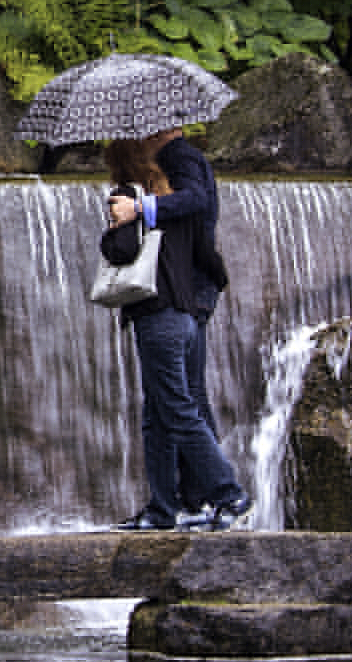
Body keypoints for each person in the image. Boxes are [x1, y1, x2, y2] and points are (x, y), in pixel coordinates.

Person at [100, 129, 249, 532]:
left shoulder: (148, 195)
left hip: (159, 313)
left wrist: (123, 216)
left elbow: (121, 252)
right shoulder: (177, 210)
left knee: (178, 407)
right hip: (184, 312)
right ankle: (163, 508)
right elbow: (202, 246)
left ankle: (226, 492)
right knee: (159, 413)